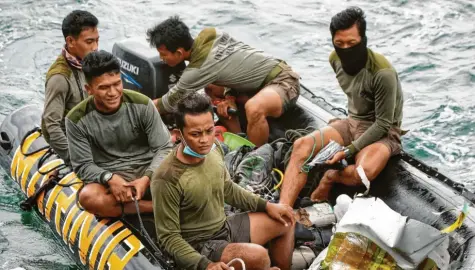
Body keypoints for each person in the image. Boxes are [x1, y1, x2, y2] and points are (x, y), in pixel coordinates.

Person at [151, 93, 295, 270]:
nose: (204, 140)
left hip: (225, 226)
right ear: (179, 134)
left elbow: (228, 189)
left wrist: (267, 206)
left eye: (209, 131)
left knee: (286, 220)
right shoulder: (166, 177)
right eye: (195, 134)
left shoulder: (214, 148)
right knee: (258, 257)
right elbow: (168, 238)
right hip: (200, 245)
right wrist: (206, 265)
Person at [279, 7, 404, 206]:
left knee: (363, 174)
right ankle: (283, 210)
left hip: (382, 131)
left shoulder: (382, 73)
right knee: (300, 146)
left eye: (352, 43)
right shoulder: (334, 60)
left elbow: (383, 123)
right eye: (339, 43)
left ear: (363, 40)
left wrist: (348, 151)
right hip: (352, 122)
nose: (345, 48)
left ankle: (331, 177)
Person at [147, 16, 301, 147]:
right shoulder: (210, 33)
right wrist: (229, 96)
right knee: (211, 87)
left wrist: (139, 108)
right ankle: (237, 131)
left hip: (283, 80)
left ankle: (255, 158)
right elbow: (229, 65)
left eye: (163, 54)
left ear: (179, 52)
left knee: (254, 108)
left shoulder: (198, 70)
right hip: (255, 84)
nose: (162, 59)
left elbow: (166, 103)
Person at [65, 50, 173, 217]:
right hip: (110, 181)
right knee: (89, 197)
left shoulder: (143, 104)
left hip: (149, 171)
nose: (113, 92)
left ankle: (131, 206)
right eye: (104, 87)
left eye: (117, 83)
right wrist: (110, 178)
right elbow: (83, 165)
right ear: (89, 89)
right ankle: (154, 207)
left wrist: (146, 179)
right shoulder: (76, 119)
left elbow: (164, 148)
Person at [41, 10, 99, 164]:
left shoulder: (89, 63)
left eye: (97, 41)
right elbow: (50, 125)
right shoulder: (59, 78)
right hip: (74, 147)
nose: (95, 47)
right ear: (71, 41)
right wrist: (77, 159)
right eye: (89, 42)